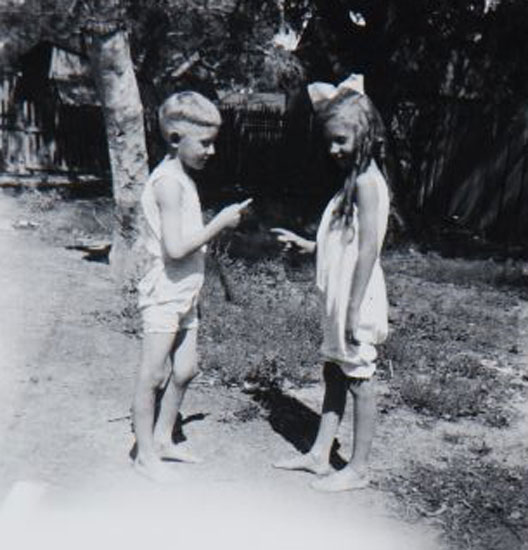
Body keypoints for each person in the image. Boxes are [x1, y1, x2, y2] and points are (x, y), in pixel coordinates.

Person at [272, 77, 390, 492]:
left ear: (368, 135)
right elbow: (346, 241)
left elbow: (369, 248)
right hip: (341, 293)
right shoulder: (350, 182)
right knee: (335, 370)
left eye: (340, 140)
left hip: (355, 295)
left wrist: (354, 307)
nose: (333, 150)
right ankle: (321, 454)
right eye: (329, 142)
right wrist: (310, 245)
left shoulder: (366, 184)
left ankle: (358, 468)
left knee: (359, 376)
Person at [133, 91, 252, 481]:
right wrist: (219, 223)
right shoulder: (168, 183)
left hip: (185, 291)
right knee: (153, 375)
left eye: (213, 141)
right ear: (174, 138)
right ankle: (144, 453)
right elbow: (175, 247)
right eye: (204, 142)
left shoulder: (183, 178)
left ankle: (164, 438)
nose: (212, 151)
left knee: (185, 369)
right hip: (164, 292)